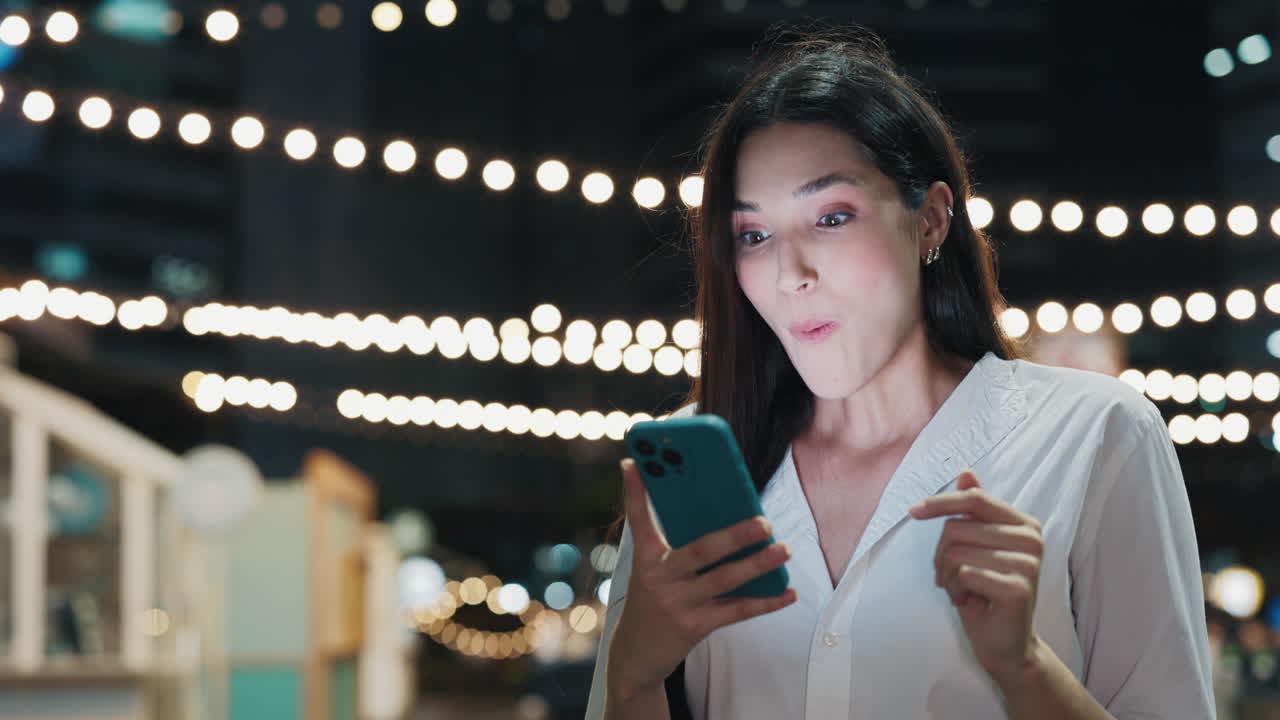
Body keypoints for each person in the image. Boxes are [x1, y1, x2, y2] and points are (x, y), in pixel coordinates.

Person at [584, 24, 1215, 720]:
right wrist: (633, 677)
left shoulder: (1094, 434)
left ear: (932, 222)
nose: (791, 274)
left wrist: (1024, 667)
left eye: (832, 216)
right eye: (754, 235)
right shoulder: (693, 468)